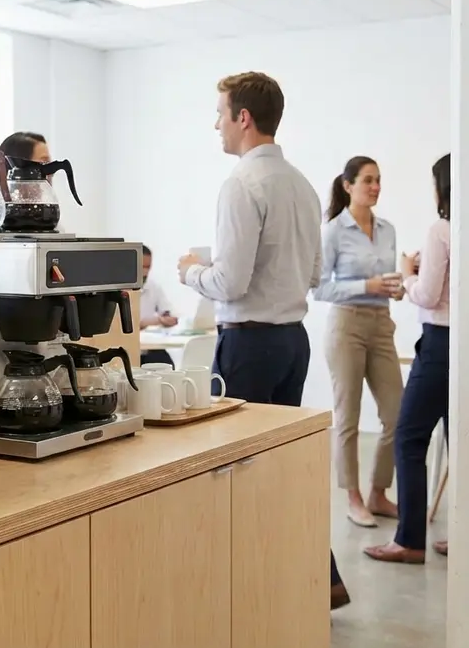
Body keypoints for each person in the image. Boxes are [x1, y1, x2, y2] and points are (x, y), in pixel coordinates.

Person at [175, 71, 344, 607]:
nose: (216, 124)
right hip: (293, 342)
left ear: (242, 118)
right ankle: (318, 580)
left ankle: (250, 593)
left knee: (242, 476)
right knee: (278, 469)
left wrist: (190, 270)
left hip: (248, 343)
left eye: (220, 112)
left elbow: (230, 282)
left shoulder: (241, 185)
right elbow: (314, 275)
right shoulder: (303, 185)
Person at [365, 153, 452, 564]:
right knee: (459, 442)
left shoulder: (441, 229)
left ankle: (409, 540)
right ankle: (466, 534)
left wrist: (408, 273)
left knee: (409, 436)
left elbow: (428, 295)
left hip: (439, 343)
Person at [315, 155, 404, 527]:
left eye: (379, 180)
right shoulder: (333, 231)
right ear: (348, 185)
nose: (375, 187)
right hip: (346, 325)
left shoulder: (387, 229)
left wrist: (396, 288)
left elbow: (387, 279)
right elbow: (319, 287)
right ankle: (353, 497)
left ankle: (378, 492)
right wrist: (365, 286)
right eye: (368, 180)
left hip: (381, 322)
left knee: (397, 415)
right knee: (348, 416)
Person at [139, 245, 178, 367]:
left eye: (148, 267)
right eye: (142, 267)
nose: (145, 272)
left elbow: (167, 311)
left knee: (168, 367)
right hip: (131, 349)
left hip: (150, 347)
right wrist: (149, 322)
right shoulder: (118, 289)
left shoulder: (153, 286)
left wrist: (167, 317)